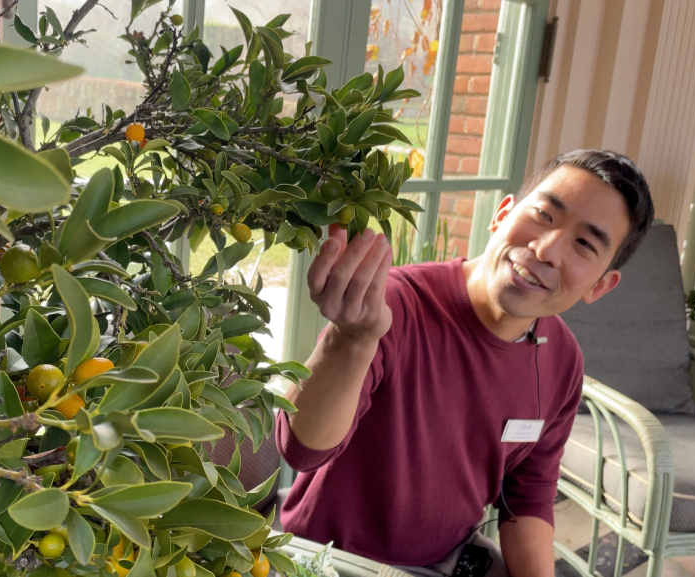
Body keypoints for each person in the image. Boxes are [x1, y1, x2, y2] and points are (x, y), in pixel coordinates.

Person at [276, 150, 656, 577]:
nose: (545, 249)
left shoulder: (563, 360)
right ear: (503, 214)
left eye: (585, 244)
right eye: (544, 215)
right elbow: (301, 449)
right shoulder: (394, 305)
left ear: (600, 286)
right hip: (330, 559)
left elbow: (527, 499)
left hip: (446, 560)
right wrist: (354, 339)